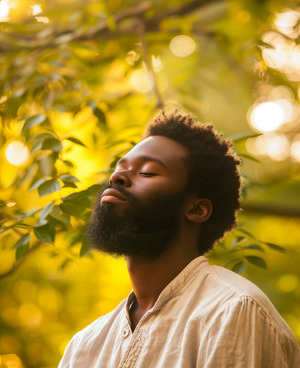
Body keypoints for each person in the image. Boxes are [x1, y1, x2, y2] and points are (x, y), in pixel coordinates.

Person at [59, 111, 300, 367]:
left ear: (196, 210)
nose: (117, 178)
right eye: (118, 171)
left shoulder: (232, 310)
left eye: (148, 172)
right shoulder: (84, 347)